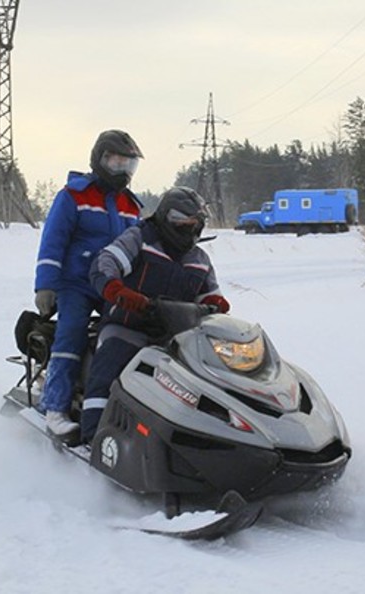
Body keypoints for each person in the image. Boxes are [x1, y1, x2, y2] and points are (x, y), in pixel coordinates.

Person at [81, 186, 230, 443]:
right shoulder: (139, 239)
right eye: (181, 221)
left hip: (176, 337)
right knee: (109, 365)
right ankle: (92, 437)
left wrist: (216, 304)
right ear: (164, 217)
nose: (188, 227)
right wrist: (117, 290)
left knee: (209, 380)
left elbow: (210, 293)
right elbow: (106, 262)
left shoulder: (199, 258)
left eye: (195, 223)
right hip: (128, 326)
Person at [34, 129, 144, 437]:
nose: (123, 170)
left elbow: (137, 251)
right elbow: (53, 241)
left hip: (113, 286)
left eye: (129, 165)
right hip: (77, 284)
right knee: (71, 334)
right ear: (100, 160)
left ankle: (116, 405)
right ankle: (55, 407)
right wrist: (46, 285)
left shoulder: (131, 206)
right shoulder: (74, 195)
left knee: (130, 336)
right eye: (117, 162)